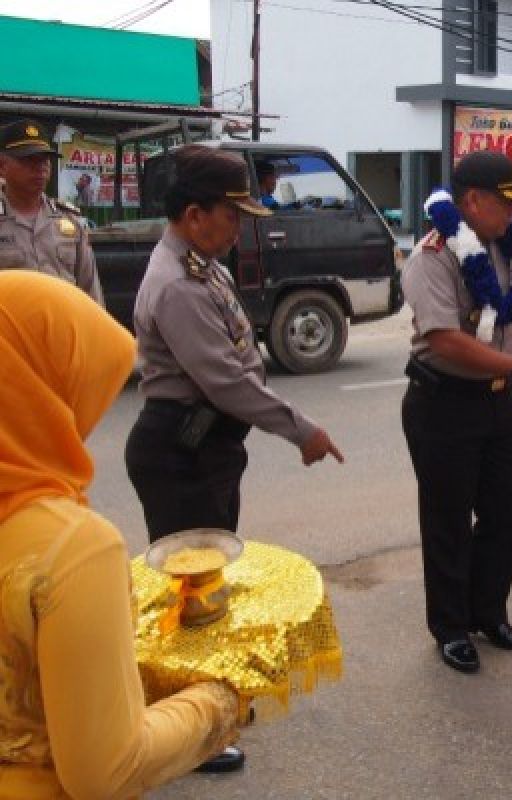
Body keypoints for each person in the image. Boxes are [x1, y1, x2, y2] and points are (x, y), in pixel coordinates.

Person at [124, 146, 343, 769]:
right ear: (195, 215)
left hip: (208, 447)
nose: (240, 225)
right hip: (180, 450)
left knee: (207, 589)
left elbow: (241, 358)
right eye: (232, 213)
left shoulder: (201, 266)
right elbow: (228, 381)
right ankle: (186, 734)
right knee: (191, 600)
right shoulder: (177, 284)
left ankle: (203, 708)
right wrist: (302, 430)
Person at [0, 271, 241, 798]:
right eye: (82, 387)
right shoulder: (72, 550)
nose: (90, 414)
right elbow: (106, 770)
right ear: (38, 387)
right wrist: (220, 701)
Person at [403, 150, 512, 673]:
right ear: (472, 201)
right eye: (506, 204)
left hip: (498, 401)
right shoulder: (433, 256)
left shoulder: (503, 245)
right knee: (448, 520)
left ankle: (488, 613)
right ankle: (450, 627)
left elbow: (498, 314)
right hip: (445, 402)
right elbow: (447, 341)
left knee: (509, 508)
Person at [0, 119, 102, 304]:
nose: (40, 168)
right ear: (2, 166)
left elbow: (90, 292)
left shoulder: (69, 221)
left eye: (44, 160)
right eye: (28, 160)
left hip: (62, 329)